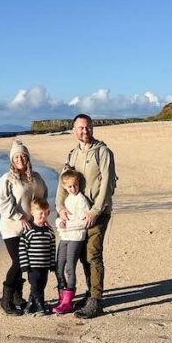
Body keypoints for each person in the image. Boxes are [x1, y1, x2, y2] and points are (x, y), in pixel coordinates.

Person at [56, 114, 117, 319]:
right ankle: (90, 293)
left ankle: (96, 301)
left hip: (97, 214)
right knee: (82, 257)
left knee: (93, 255)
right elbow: (64, 182)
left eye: (88, 127)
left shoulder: (103, 152)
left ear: (92, 128)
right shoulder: (72, 154)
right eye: (80, 128)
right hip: (78, 217)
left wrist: (94, 211)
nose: (85, 131)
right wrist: (60, 207)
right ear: (74, 130)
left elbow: (107, 185)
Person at [0, 139, 48, 315]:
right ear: (12, 159)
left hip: (31, 229)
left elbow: (42, 199)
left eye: (23, 156)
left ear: (27, 158)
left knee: (28, 262)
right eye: (16, 156)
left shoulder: (37, 178)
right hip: (11, 228)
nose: (20, 159)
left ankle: (18, 297)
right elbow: (1, 203)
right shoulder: (7, 179)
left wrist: (42, 217)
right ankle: (6, 300)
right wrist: (19, 216)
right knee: (18, 262)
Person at [52, 169, 91, 314]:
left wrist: (66, 225)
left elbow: (84, 222)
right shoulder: (67, 200)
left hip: (75, 237)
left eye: (75, 185)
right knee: (58, 266)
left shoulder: (81, 200)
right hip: (64, 237)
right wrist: (59, 223)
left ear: (78, 184)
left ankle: (67, 302)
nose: (73, 189)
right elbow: (60, 218)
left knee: (70, 268)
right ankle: (62, 297)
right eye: (70, 187)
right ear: (64, 187)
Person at [18, 197, 56, 316]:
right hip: (33, 266)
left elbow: (52, 248)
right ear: (32, 212)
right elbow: (22, 248)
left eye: (46, 213)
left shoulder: (49, 231)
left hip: (44, 265)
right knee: (35, 286)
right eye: (40, 213)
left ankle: (31, 305)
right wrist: (24, 265)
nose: (43, 216)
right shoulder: (29, 230)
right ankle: (40, 305)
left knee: (41, 285)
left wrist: (52, 263)